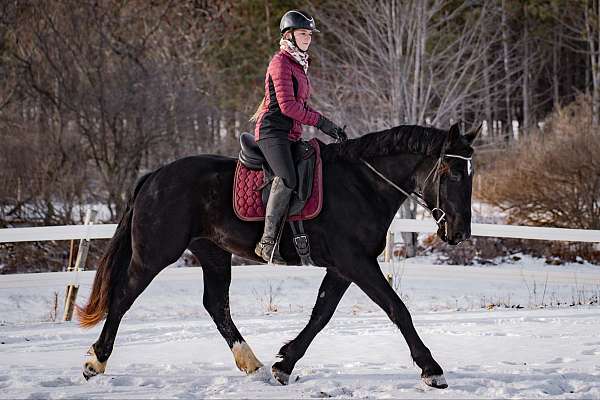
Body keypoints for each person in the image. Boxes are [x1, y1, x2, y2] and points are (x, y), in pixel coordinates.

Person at [250, 9, 347, 263]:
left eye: (309, 34)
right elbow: (288, 108)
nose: (308, 38)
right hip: (272, 131)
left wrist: (330, 126)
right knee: (288, 177)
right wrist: (322, 123)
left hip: (290, 133)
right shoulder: (280, 63)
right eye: (303, 33)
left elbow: (301, 106)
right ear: (289, 35)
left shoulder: (299, 64)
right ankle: (267, 243)